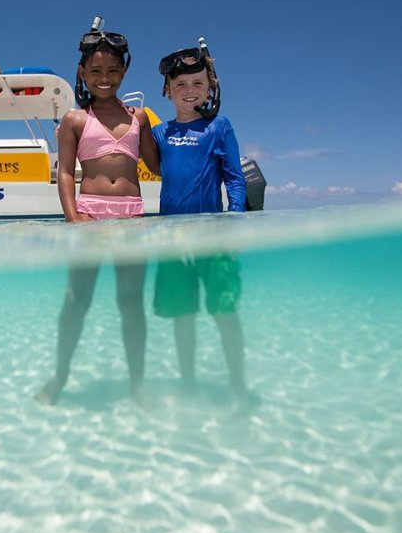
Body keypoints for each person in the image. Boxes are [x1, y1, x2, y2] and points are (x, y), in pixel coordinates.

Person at [36, 23, 159, 406]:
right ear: (82, 74)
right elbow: (66, 175)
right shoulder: (74, 120)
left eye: (112, 72)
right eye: (95, 72)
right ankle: (60, 377)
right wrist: (74, 219)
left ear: (123, 73)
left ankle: (137, 383)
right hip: (89, 214)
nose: (104, 79)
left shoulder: (138, 119)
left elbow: (156, 165)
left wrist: (158, 129)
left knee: (131, 303)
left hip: (132, 217)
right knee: (77, 302)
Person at [150, 40, 250, 405]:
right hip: (172, 239)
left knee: (225, 312)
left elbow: (235, 178)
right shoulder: (159, 133)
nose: (190, 92)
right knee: (183, 316)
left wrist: (234, 220)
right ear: (168, 91)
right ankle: (188, 384)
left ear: (210, 87)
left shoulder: (219, 127)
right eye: (181, 85)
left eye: (198, 84)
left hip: (212, 238)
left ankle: (238, 385)